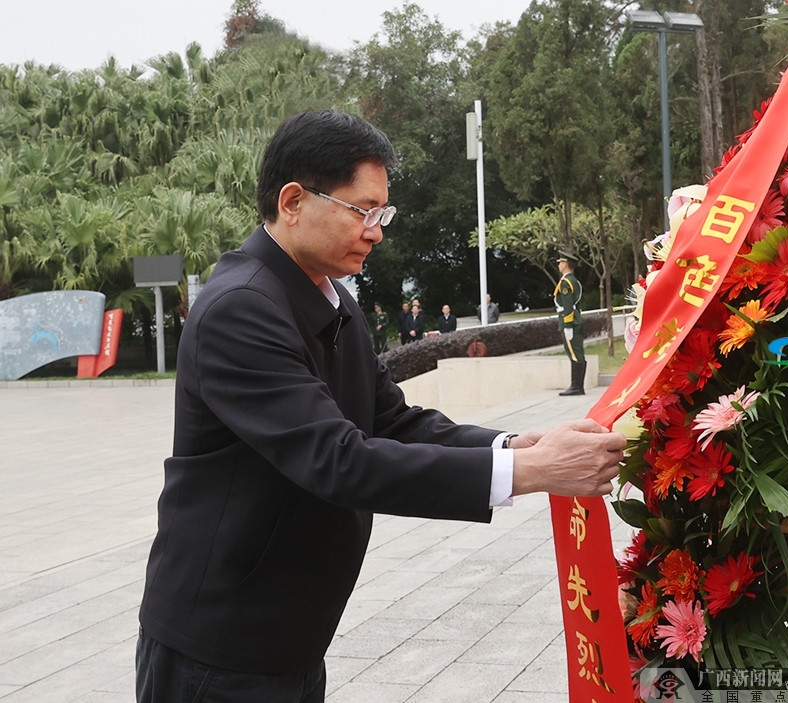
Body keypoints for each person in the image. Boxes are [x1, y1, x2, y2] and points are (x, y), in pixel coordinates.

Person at [135, 109, 626, 703]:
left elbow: (390, 420)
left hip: (286, 634)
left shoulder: (328, 296)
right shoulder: (240, 308)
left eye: (382, 213)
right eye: (363, 211)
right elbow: (338, 459)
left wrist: (517, 446)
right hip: (220, 644)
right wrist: (530, 474)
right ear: (293, 201)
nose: (377, 230)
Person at [554, 251, 586, 396]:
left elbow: (567, 305)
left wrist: (567, 326)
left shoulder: (566, 282)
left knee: (574, 354)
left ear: (566, 264)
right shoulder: (574, 281)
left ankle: (576, 386)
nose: (559, 265)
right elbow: (577, 304)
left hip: (570, 322)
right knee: (578, 353)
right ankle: (578, 386)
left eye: (560, 262)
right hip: (576, 319)